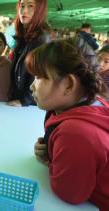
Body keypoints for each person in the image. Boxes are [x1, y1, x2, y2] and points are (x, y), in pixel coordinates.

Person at [29, 38, 109, 210]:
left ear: (69, 85)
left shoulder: (75, 134)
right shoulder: (96, 103)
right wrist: (52, 152)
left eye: (39, 77)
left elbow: (70, 195)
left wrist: (54, 163)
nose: (31, 86)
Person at [8, 0, 50, 107]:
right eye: (22, 6)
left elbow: (38, 74)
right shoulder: (23, 36)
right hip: (19, 99)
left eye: (31, 6)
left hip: (30, 104)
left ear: (39, 10)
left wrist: (24, 101)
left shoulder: (41, 39)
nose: (24, 11)